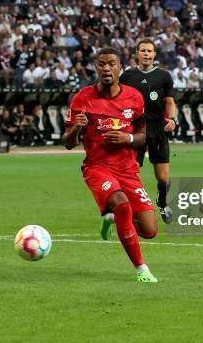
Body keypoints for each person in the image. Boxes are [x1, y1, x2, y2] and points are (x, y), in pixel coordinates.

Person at [62, 47, 158, 283]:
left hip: (128, 169)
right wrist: (76, 127)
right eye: (102, 64)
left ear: (120, 67)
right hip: (97, 167)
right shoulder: (82, 98)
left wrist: (129, 139)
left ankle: (110, 218)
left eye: (111, 64)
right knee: (122, 204)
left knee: (149, 230)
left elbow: (144, 133)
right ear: (96, 67)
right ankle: (141, 269)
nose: (106, 68)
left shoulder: (134, 97)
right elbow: (67, 143)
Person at [119, 39, 177, 224]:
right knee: (130, 174)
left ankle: (163, 201)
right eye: (143, 50)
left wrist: (173, 120)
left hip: (158, 129)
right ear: (137, 53)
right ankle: (134, 209)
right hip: (134, 130)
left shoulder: (164, 76)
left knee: (163, 177)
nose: (146, 53)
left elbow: (169, 102)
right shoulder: (126, 76)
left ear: (154, 54)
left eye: (149, 51)